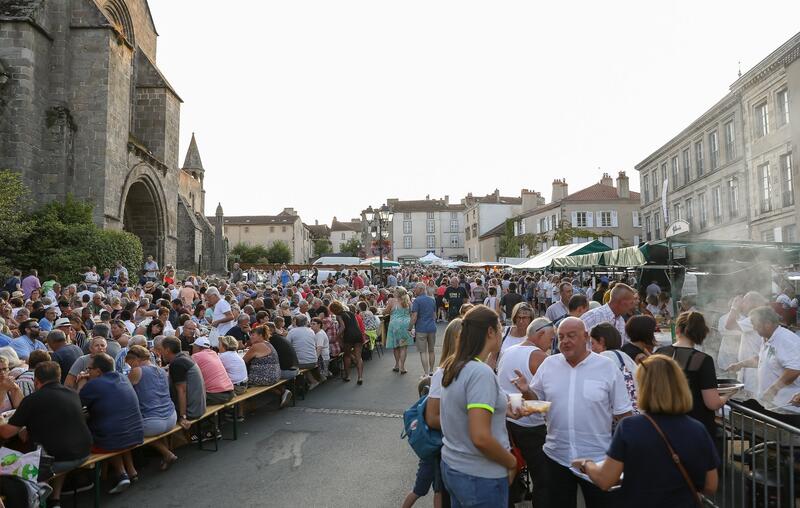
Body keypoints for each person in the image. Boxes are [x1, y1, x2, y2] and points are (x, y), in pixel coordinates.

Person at [511, 317, 633, 508]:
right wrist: (526, 391)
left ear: (586, 337)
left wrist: (622, 457)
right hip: (556, 457)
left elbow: (624, 416)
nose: (565, 341)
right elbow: (538, 402)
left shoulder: (606, 367)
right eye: (561, 337)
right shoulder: (549, 365)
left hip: (597, 458)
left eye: (571, 336)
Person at [572, 355, 719, 508]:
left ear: (644, 388)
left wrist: (586, 463)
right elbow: (711, 485)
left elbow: (605, 480)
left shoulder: (630, 428)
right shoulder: (697, 429)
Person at [440, 305, 517, 507]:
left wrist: (502, 409)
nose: (502, 333)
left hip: (455, 466)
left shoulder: (456, 364)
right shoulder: (480, 373)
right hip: (479, 475)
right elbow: (480, 437)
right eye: (500, 328)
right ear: (490, 331)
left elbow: (463, 411)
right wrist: (511, 462)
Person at [0, 361, 92, 507]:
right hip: (84, 452)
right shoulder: (72, 393)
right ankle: (55, 499)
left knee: (9, 464)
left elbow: (6, 433)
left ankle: (37, 495)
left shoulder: (33, 400)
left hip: (57, 462)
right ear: (59, 377)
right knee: (56, 447)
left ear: (36, 381)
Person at [496, 317, 553, 505]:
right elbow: (549, 399)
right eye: (551, 338)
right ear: (541, 334)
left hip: (507, 421)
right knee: (544, 478)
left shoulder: (508, 351)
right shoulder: (541, 358)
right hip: (531, 426)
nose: (551, 344)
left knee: (511, 468)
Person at [77, 353, 144, 494]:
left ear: (98, 371)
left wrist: (81, 383)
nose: (87, 371)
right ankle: (130, 471)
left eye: (89, 369)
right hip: (135, 434)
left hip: (111, 440)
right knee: (115, 428)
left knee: (104, 434)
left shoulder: (93, 385)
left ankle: (121, 474)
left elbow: (75, 405)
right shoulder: (123, 377)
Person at [656, 311, 728, 442]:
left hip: (663, 425)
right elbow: (712, 403)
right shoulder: (703, 360)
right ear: (702, 333)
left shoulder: (660, 353)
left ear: (677, 330)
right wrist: (727, 395)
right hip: (695, 428)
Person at [728, 306, 800, 427]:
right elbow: (762, 359)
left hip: (787, 408)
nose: (754, 328)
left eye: (755, 324)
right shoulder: (766, 338)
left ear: (767, 324)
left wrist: (773, 389)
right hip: (772, 405)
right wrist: (740, 365)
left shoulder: (786, 340)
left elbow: (794, 370)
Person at [125, 345, 178, 471]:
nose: (130, 367)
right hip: (172, 417)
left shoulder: (137, 371)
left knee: (129, 430)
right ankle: (166, 452)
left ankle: (167, 453)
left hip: (153, 423)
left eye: (130, 363)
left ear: (135, 360)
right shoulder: (161, 370)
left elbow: (124, 391)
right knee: (156, 419)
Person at [157, 336, 207, 430]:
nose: (160, 353)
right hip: (199, 407)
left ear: (167, 350)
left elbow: (182, 391)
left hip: (191, 412)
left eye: (161, 350)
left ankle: (184, 437)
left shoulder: (177, 363)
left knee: (157, 414)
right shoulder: (185, 357)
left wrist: (183, 417)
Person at [590, 322, 639, 415]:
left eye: (592, 343)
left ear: (602, 341)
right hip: (636, 411)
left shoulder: (604, 357)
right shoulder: (625, 356)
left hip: (622, 413)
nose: (591, 348)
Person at [191, 337, 235, 405]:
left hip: (217, 395)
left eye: (193, 346)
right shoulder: (214, 353)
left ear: (198, 347)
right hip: (230, 392)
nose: (192, 349)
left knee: (190, 399)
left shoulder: (196, 356)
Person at [331, 300, 364, 384]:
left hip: (348, 335)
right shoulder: (351, 313)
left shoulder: (339, 316)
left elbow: (343, 327)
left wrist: (336, 337)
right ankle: (360, 377)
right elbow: (357, 325)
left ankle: (348, 376)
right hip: (357, 334)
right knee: (358, 356)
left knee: (347, 356)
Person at [286, 315, 322, 386]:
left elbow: (287, 346)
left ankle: (302, 384)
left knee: (289, 364)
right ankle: (311, 381)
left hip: (301, 363)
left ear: (296, 322)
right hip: (313, 361)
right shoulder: (311, 331)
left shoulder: (292, 331)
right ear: (306, 322)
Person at [410, 282, 437, 376]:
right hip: (431, 327)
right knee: (431, 350)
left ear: (421, 289)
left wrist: (410, 328)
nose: (414, 290)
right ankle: (431, 371)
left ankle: (426, 373)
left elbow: (414, 316)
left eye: (416, 288)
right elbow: (434, 315)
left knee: (423, 352)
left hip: (421, 328)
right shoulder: (432, 300)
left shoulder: (417, 301)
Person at [244, 325, 283, 390]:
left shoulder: (257, 346)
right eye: (250, 335)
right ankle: (280, 392)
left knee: (240, 380)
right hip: (276, 375)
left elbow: (243, 361)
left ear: (260, 335)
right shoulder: (267, 343)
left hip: (265, 377)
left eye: (253, 335)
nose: (250, 337)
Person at [386, 287, 412, 375]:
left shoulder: (392, 301)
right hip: (405, 324)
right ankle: (402, 367)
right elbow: (411, 313)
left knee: (396, 346)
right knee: (403, 347)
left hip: (395, 324)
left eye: (394, 292)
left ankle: (397, 365)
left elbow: (386, 311)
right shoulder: (408, 301)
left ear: (397, 293)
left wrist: (386, 311)